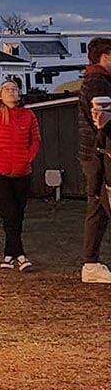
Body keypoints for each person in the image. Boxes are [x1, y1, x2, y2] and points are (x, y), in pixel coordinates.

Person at [0, 79, 40, 269]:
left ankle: (8, 254)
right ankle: (20, 254)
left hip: (22, 172)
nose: (11, 91)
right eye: (7, 88)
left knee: (18, 214)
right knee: (10, 214)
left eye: (14, 88)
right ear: (0, 94)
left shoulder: (28, 115)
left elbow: (35, 139)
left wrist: (28, 158)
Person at [75, 37, 111, 284]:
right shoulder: (98, 83)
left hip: (97, 153)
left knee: (99, 206)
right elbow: (103, 123)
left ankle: (91, 262)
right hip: (101, 155)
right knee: (99, 203)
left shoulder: (95, 81)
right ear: (105, 56)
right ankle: (90, 262)